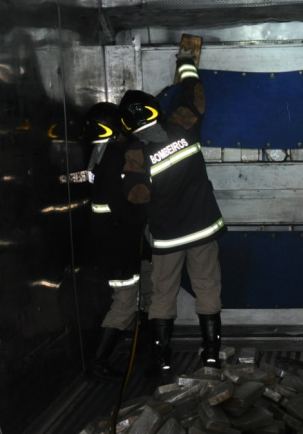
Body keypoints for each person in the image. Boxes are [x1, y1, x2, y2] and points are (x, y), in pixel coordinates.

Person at [120, 53, 227, 375]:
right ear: (154, 111)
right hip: (202, 227)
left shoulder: (135, 153)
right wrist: (186, 66)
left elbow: (136, 196)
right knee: (207, 287)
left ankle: (162, 358)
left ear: (129, 123)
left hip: (167, 237)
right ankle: (210, 354)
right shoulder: (182, 124)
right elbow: (195, 96)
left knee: (163, 294)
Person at [83, 102, 152, 380]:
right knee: (125, 301)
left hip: (119, 241)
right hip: (118, 243)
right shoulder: (115, 156)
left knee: (148, 292)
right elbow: (122, 204)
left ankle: (147, 351)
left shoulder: (103, 154)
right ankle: (98, 364)